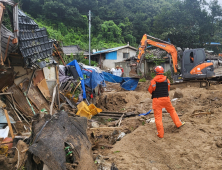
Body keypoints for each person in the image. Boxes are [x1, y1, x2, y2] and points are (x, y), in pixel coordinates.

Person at [148, 66, 185, 138]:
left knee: (158, 117)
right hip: (166, 99)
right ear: (162, 72)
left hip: (157, 100)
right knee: (172, 110)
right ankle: (178, 124)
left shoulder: (153, 81)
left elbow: (150, 90)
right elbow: (168, 89)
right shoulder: (167, 80)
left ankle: (160, 134)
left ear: (155, 72)